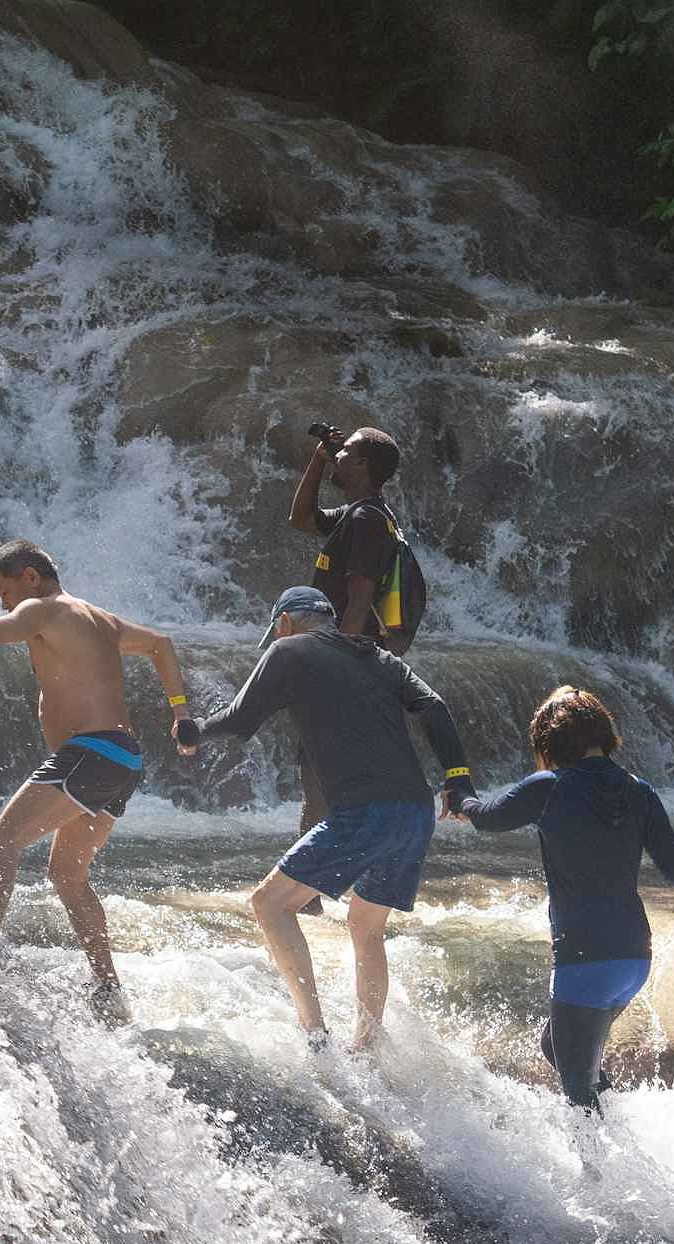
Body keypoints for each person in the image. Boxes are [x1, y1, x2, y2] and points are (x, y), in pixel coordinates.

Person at [0, 540, 190, 1023]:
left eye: (5, 590)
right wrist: (180, 713)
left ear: (30, 577)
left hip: (92, 752)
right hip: (123, 759)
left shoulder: (42, 609)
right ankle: (108, 989)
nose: (6, 604)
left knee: (2, 839)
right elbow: (161, 645)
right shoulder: (101, 620)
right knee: (67, 875)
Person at [176, 586, 474, 1051]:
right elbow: (434, 707)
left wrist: (194, 731)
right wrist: (457, 778)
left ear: (285, 623)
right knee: (366, 927)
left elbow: (240, 718)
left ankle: (315, 1038)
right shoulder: (379, 658)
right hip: (415, 813)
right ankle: (367, 1047)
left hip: (366, 811)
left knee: (270, 905)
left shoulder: (288, 650)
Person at [450, 686, 674, 1112]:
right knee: (557, 1048)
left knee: (578, 1096)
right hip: (634, 958)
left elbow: (484, 818)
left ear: (549, 741)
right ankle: (626, 1132)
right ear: (604, 734)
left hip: (584, 960)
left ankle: (609, 1173)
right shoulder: (639, 790)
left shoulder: (550, 786)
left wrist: (458, 790)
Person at [286, 425, 405, 914]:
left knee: (318, 778)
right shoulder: (357, 516)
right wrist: (319, 456)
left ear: (363, 467)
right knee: (321, 778)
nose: (339, 456)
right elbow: (301, 518)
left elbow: (358, 601)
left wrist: (335, 667)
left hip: (345, 666)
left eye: (346, 452)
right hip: (349, 664)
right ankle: (316, 889)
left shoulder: (369, 521)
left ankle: (309, 892)